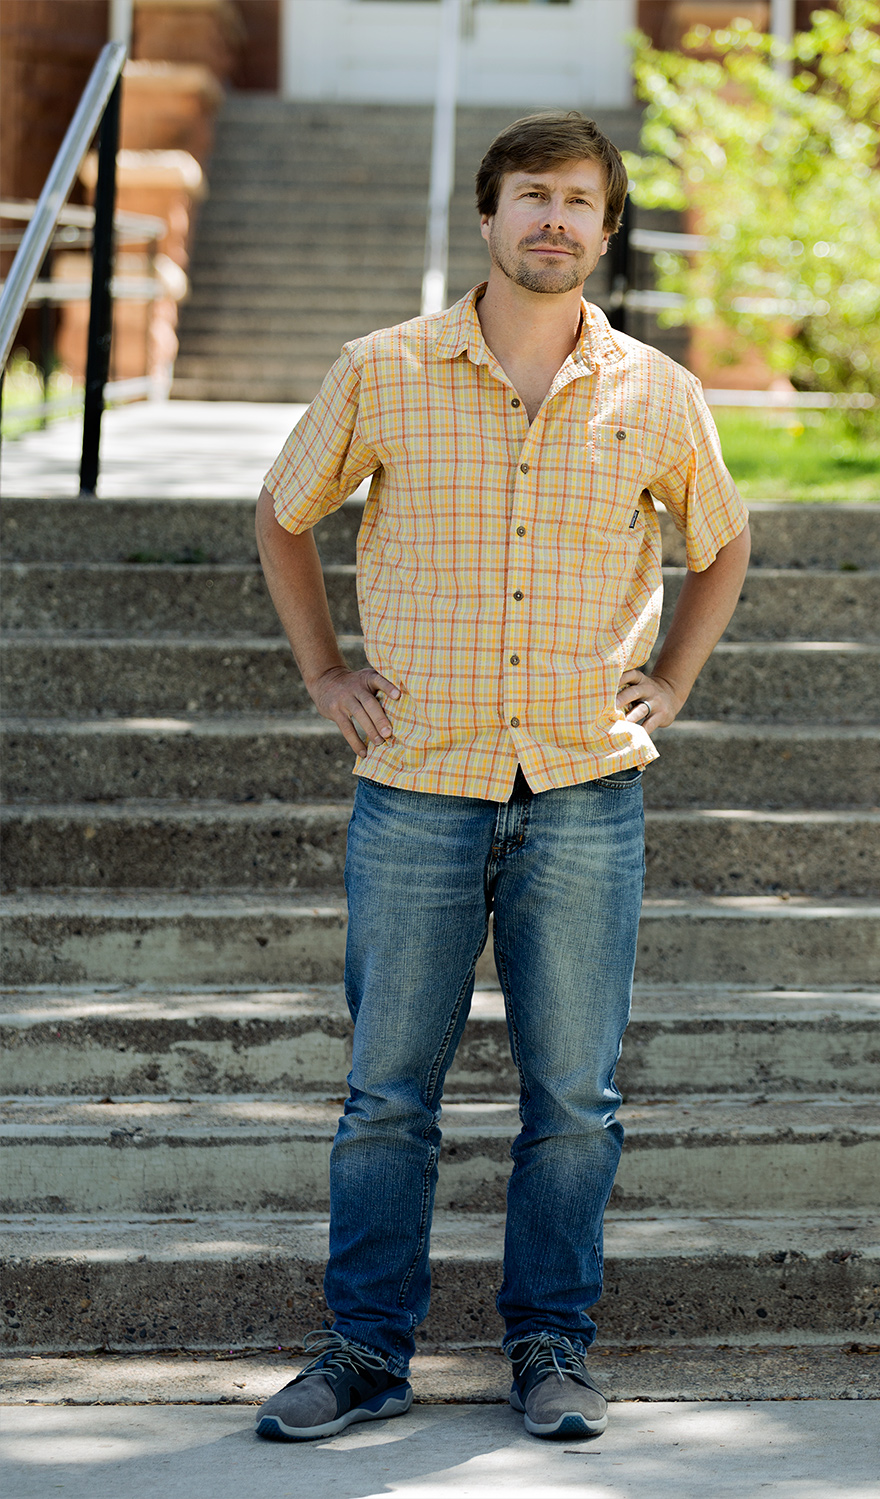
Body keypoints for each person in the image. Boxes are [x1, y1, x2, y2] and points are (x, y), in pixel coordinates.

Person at [253, 111, 750, 1444]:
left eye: (581, 200)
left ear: (606, 227)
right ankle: (362, 1351)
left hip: (586, 787)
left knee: (574, 1098)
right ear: (487, 218)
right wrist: (326, 677)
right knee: (385, 1095)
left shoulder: (659, 391)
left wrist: (676, 681)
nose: (556, 220)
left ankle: (552, 1346)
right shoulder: (384, 369)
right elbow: (284, 512)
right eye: (533, 195)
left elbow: (724, 541)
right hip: (418, 780)